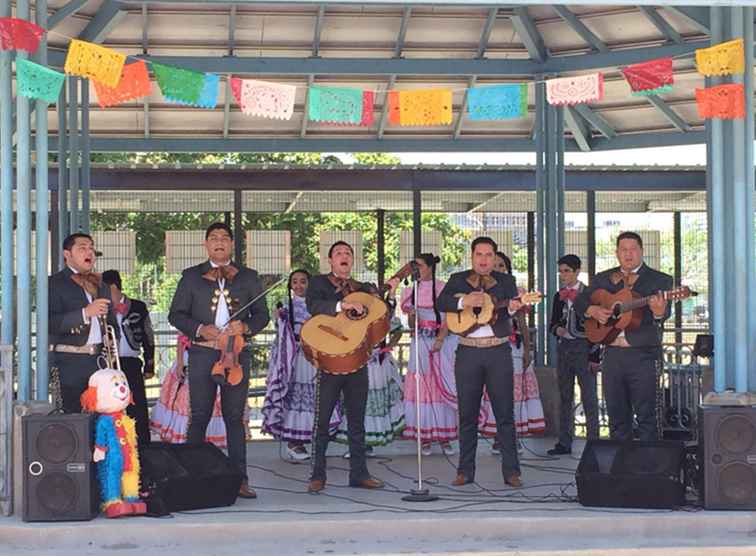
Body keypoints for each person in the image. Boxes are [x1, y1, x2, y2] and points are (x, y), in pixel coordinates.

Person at [168, 222, 269, 499]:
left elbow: (262, 315)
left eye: (225, 238)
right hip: (202, 353)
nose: (220, 242)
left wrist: (245, 328)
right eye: (214, 238)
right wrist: (200, 329)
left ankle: (240, 480)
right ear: (206, 244)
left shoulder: (248, 276)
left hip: (235, 354)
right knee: (198, 416)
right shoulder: (191, 276)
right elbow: (176, 315)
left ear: (232, 244)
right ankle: (192, 478)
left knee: (234, 418)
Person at [305, 240, 399, 493]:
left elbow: (381, 319)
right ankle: (317, 475)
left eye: (348, 253)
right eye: (338, 253)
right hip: (330, 360)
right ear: (330, 261)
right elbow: (313, 307)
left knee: (357, 420)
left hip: (357, 361)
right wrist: (342, 305)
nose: (344, 256)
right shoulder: (319, 283)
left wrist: (389, 297)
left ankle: (359, 474)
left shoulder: (364, 288)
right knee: (321, 420)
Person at [437, 237, 523, 488]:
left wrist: (516, 306)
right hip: (467, 352)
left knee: (504, 413)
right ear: (472, 256)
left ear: (494, 257)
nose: (484, 259)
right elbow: (441, 302)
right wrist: (464, 302)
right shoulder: (458, 280)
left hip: (497, 351)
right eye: (479, 254)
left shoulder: (506, 281)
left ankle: (511, 472)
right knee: (467, 414)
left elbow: (508, 310)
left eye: (488, 255)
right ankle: (465, 470)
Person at [574, 232, 672, 442]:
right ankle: (620, 469)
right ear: (617, 253)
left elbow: (663, 315)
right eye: (623, 250)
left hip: (644, 355)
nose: (628, 254)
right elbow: (580, 301)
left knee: (647, 417)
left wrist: (658, 311)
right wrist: (593, 310)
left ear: (642, 251)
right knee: (617, 417)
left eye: (633, 249)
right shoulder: (603, 278)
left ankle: (649, 470)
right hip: (612, 355)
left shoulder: (660, 279)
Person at [262, 269, 341, 461]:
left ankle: (313, 441)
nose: (298, 285)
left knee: (317, 398)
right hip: (296, 358)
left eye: (303, 281)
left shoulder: (318, 305)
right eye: (295, 282)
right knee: (295, 398)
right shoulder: (286, 308)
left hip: (316, 355)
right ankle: (293, 443)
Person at [483, 252, 545, 454]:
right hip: (491, 345)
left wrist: (528, 348)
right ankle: (498, 437)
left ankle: (512, 437)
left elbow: (522, 323)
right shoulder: (483, 292)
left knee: (514, 393)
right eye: (496, 265)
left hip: (514, 346)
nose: (499, 269)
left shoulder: (517, 291)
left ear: (507, 269)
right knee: (495, 392)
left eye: (502, 265)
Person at [49, 233, 118, 413]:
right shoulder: (54, 283)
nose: (89, 252)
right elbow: (49, 323)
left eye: (91, 248)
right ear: (67, 254)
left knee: (103, 418)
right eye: (82, 248)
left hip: (99, 362)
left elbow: (111, 323)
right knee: (75, 420)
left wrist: (112, 345)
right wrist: (85, 313)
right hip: (69, 364)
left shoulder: (101, 284)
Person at [400, 253, 458, 456]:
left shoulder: (443, 288)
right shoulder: (410, 290)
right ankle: (424, 436)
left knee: (441, 384)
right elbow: (409, 323)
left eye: (420, 266)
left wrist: (440, 339)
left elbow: (449, 317)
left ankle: (444, 436)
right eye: (414, 266)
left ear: (430, 267)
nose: (417, 270)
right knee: (421, 386)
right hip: (420, 341)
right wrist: (412, 317)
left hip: (441, 341)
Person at [150, 335, 249, 447]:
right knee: (190, 408)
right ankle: (188, 446)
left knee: (227, 409)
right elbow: (182, 337)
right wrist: (180, 362)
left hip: (225, 363)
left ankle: (212, 446)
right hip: (195, 361)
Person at [547, 255, 600, 456]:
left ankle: (594, 442)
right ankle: (564, 441)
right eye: (561, 271)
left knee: (589, 397)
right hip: (564, 347)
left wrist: (595, 356)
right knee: (564, 396)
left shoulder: (590, 294)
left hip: (584, 347)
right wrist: (557, 329)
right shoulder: (558, 295)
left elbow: (598, 327)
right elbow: (553, 323)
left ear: (578, 271)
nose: (563, 275)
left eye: (567, 271)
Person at [102, 269, 156, 447]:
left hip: (132, 362)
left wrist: (150, 363)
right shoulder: (102, 308)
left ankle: (143, 446)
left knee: (137, 405)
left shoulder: (138, 307)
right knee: (110, 405)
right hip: (108, 363)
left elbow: (148, 335)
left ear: (113, 287)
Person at [336, 316, 405, 454]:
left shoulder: (381, 313)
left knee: (370, 402)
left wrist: (388, 347)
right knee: (356, 401)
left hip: (377, 363)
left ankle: (366, 445)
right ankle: (357, 444)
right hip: (357, 361)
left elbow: (398, 330)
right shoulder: (354, 312)